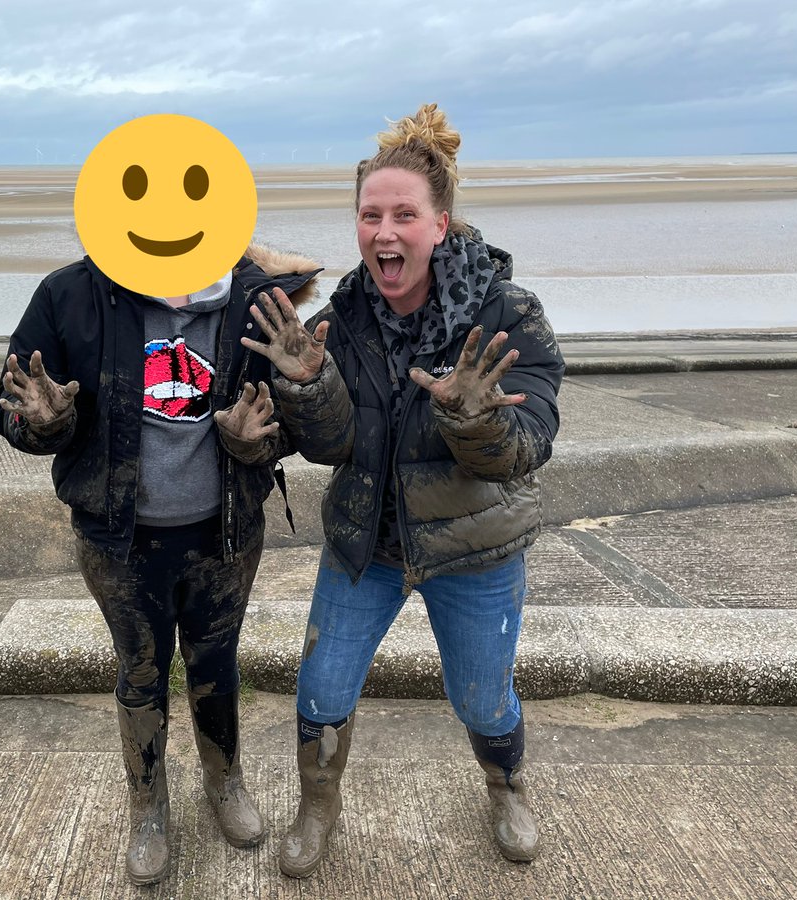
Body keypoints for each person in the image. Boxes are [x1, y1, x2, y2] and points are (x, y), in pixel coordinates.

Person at [229, 103, 564, 876]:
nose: (384, 231)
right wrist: (306, 386)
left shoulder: (507, 313)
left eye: (404, 215)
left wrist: (477, 419)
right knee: (321, 686)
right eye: (370, 214)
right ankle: (319, 807)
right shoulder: (345, 314)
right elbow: (337, 443)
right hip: (365, 539)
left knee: (483, 697)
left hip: (473, 546)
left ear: (440, 224)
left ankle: (506, 785)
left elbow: (529, 445)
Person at [0, 244, 320, 885]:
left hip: (225, 532)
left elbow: (298, 418)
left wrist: (259, 441)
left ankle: (224, 782)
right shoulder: (69, 296)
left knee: (215, 664)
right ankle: (148, 806)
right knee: (140, 670)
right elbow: (16, 407)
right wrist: (45, 424)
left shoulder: (257, 299)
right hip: (119, 539)